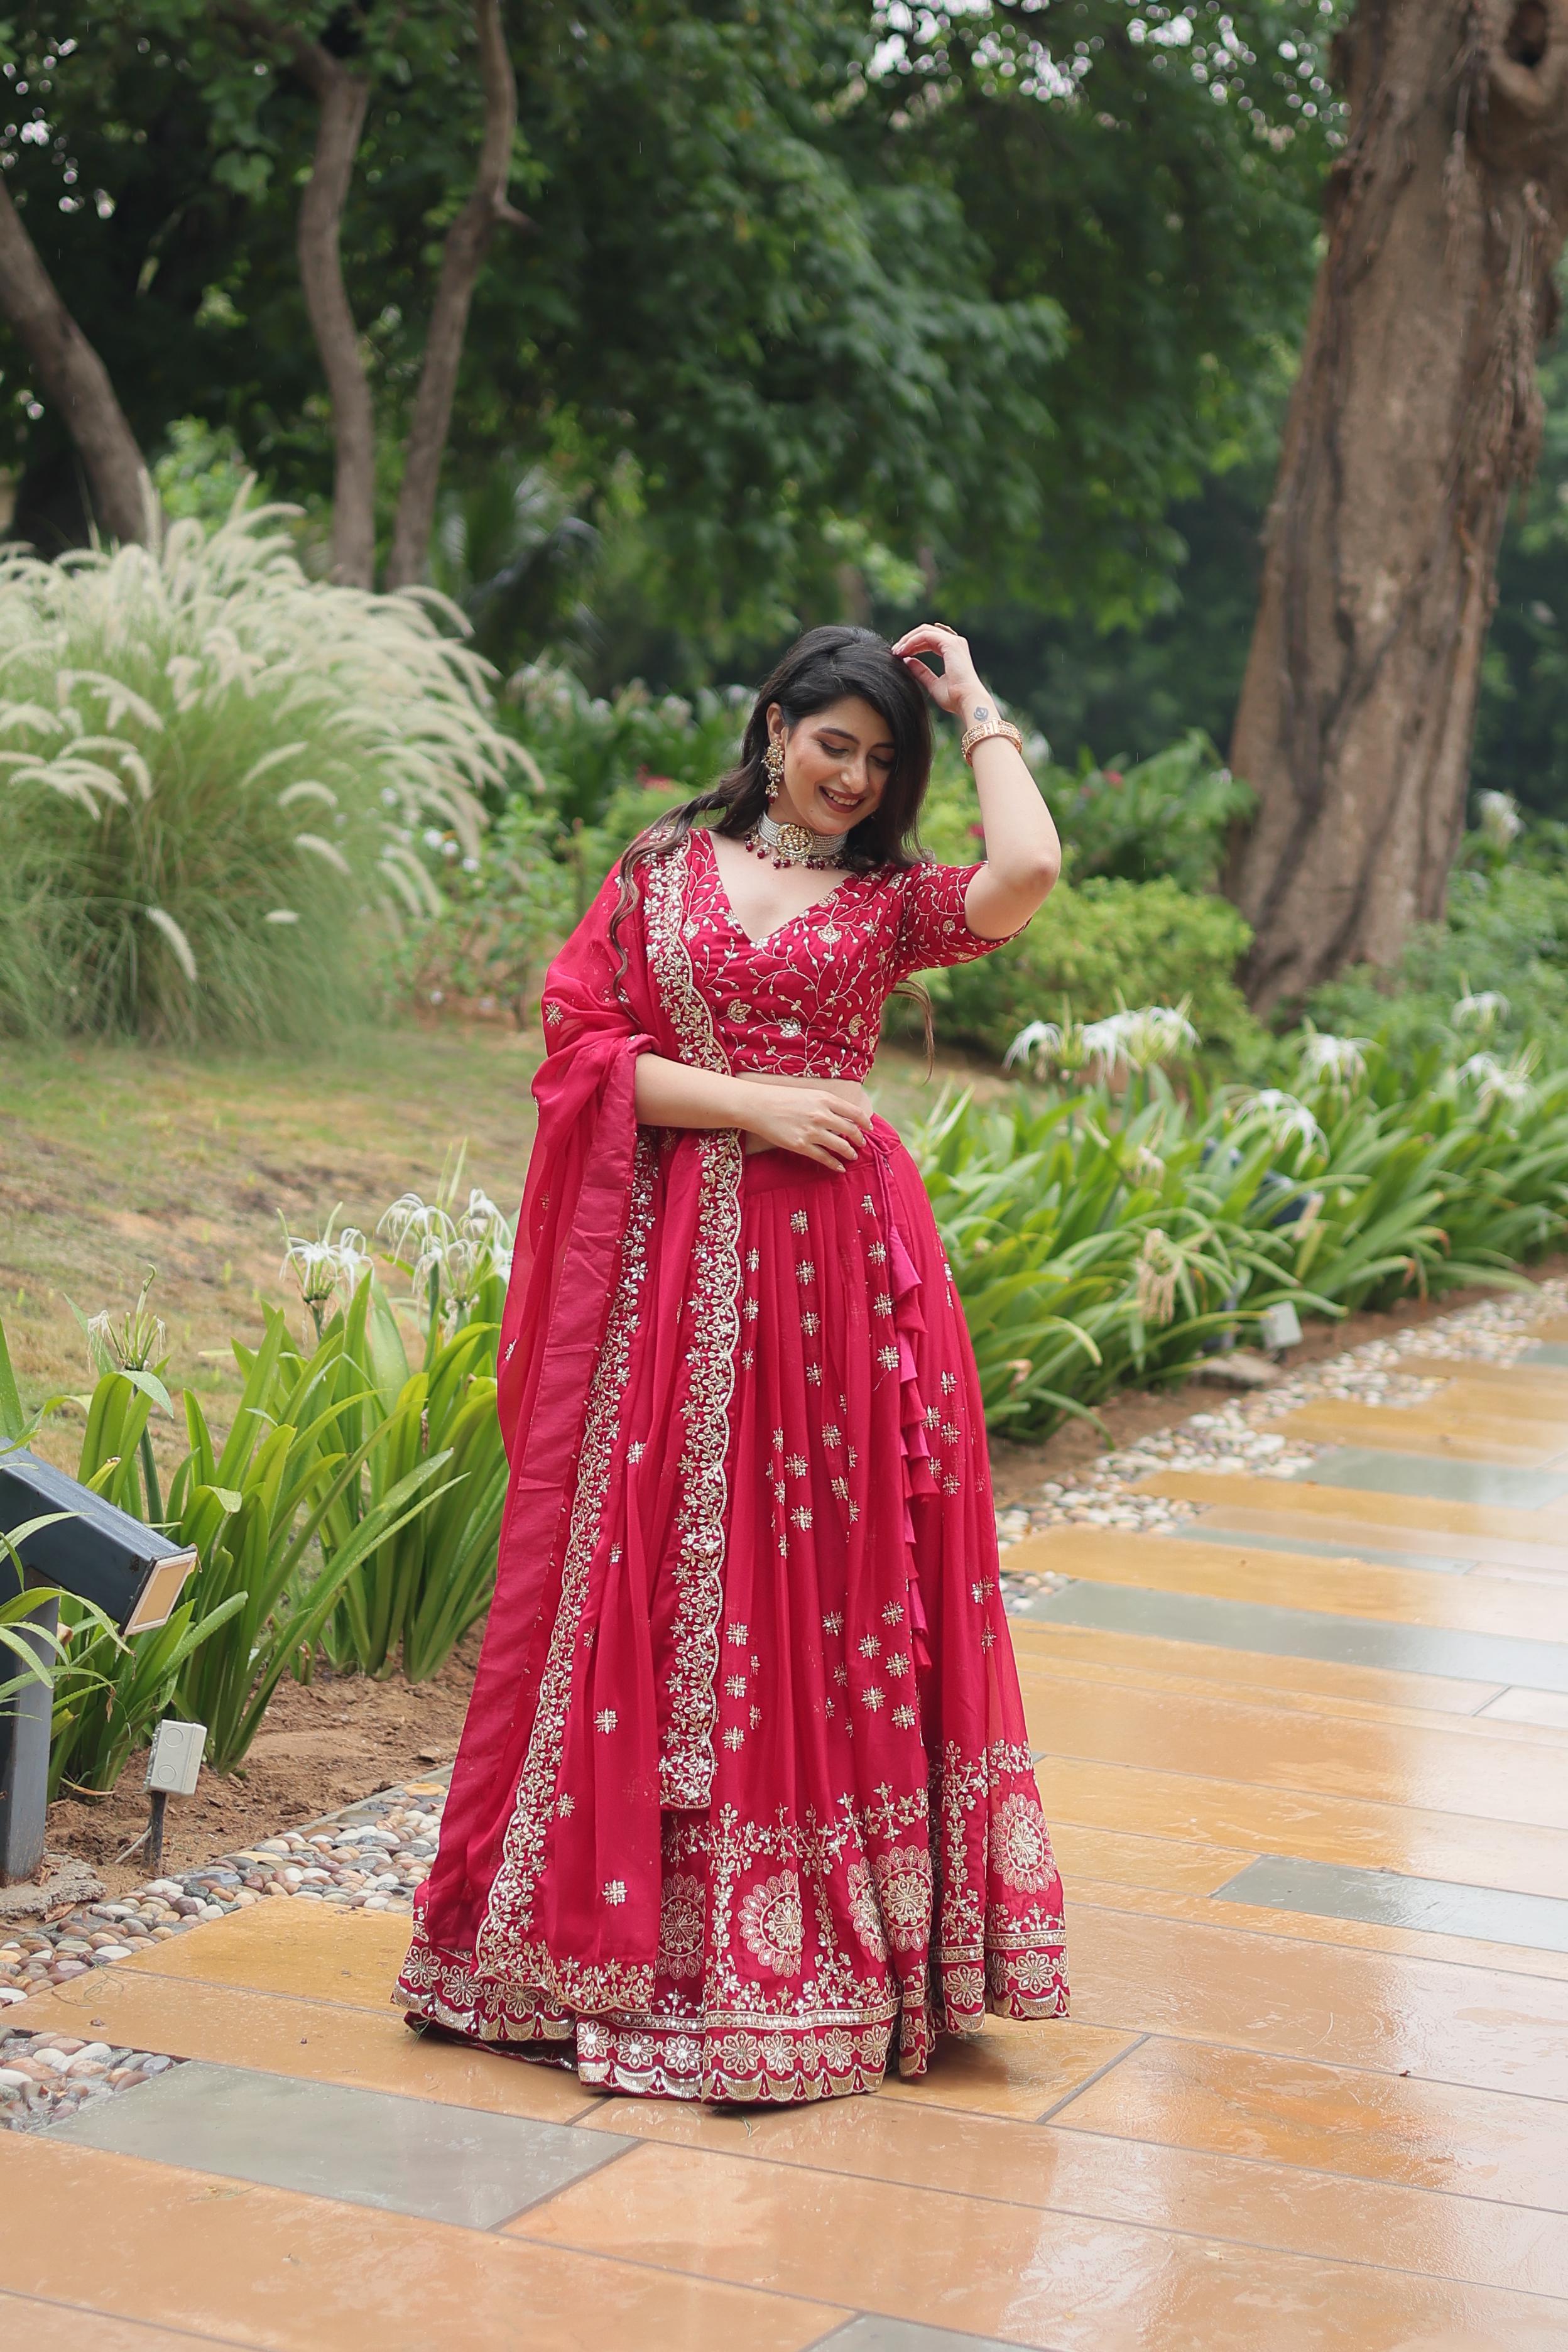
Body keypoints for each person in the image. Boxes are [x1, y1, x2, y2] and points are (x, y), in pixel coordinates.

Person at [397, 621, 1069, 2103]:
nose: (853, 776)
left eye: (881, 759)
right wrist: (754, 1105)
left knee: (814, 1577)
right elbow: (579, 1050)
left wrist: (975, 712)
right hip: (665, 1270)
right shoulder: (657, 872)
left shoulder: (892, 902)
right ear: (773, 728)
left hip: (836, 1282)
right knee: (649, 1568)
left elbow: (1025, 876)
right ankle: (601, 1944)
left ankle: (803, 1954)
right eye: (837, 741)